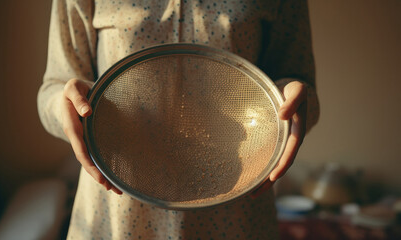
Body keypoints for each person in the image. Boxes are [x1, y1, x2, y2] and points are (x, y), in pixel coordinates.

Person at [38, 0, 319, 239]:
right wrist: (63, 105)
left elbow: (300, 88)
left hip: (234, 210)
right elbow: (55, 86)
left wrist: (294, 102)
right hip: (116, 213)